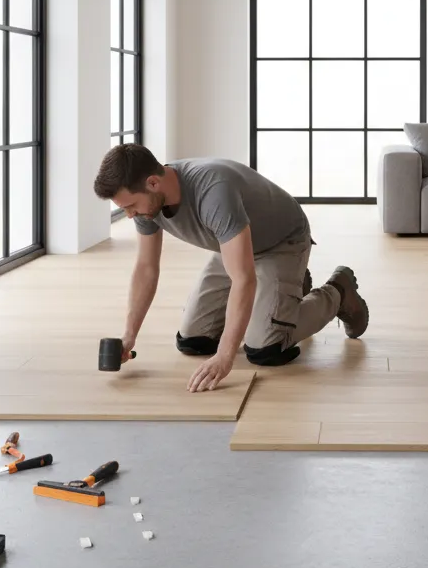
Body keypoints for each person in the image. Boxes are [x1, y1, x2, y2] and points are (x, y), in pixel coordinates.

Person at [93, 145, 369, 392]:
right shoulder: (146, 204)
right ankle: (286, 293)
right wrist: (129, 336)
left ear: (153, 183)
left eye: (130, 206)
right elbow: (146, 268)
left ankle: (339, 292)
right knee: (193, 341)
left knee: (264, 348)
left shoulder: (213, 191)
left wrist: (225, 357)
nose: (129, 215)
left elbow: (243, 279)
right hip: (232, 247)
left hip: (281, 242)